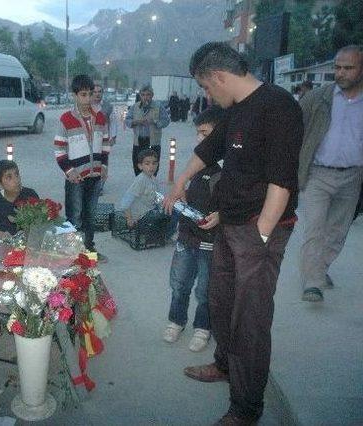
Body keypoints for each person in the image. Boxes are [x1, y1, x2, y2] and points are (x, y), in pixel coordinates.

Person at [165, 42, 303, 425]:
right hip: (230, 223)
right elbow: (209, 149)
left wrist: (260, 237)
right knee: (220, 299)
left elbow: (282, 180)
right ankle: (224, 364)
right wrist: (181, 183)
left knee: (250, 320)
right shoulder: (235, 109)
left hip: (262, 230)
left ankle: (246, 409)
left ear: (219, 78)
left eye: (207, 88)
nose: (208, 96)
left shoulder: (278, 106)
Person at [297, 45, 363, 303]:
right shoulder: (319, 98)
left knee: (337, 231)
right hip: (318, 174)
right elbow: (295, 126)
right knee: (314, 228)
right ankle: (312, 282)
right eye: (337, 67)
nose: (341, 73)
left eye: (348, 68)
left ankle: (320, 267)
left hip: (353, 177)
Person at [162, 106, 224, 353]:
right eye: (197, 132)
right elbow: (193, 192)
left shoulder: (227, 168)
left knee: (205, 289)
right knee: (179, 282)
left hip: (210, 242)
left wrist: (221, 215)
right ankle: (176, 320)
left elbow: (233, 202)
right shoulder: (198, 163)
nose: (199, 138)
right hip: (187, 237)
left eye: (204, 132)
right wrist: (180, 197)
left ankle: (202, 328)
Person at [54, 74, 111, 260]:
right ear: (75, 95)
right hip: (75, 177)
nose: (87, 99)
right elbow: (59, 150)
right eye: (83, 95)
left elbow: (105, 144)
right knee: (74, 216)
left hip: (95, 176)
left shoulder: (100, 117)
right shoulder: (66, 119)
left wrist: (104, 166)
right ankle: (71, 255)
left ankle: (89, 251)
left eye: (90, 94)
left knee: (90, 215)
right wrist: (69, 171)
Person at [0, 160, 39, 240]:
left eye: (17, 174)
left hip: (29, 241)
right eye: (9, 177)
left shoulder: (30, 194)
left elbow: (40, 221)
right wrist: (1, 234)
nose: (16, 180)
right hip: (4, 243)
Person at [125, 85, 170, 176]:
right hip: (139, 141)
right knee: (137, 164)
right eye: (143, 95)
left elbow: (166, 121)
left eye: (148, 95)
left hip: (153, 142)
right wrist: (136, 122)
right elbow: (127, 120)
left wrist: (155, 122)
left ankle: (151, 186)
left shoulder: (158, 106)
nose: (146, 97)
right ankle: (140, 185)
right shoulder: (135, 107)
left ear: (152, 95)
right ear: (140, 96)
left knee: (152, 166)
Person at [118, 149, 163, 228]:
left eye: (154, 163)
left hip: (150, 212)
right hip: (140, 218)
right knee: (164, 219)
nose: (151, 166)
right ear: (140, 166)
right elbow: (125, 202)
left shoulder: (153, 179)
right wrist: (129, 219)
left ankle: (163, 237)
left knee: (172, 212)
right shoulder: (141, 180)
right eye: (147, 164)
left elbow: (157, 199)